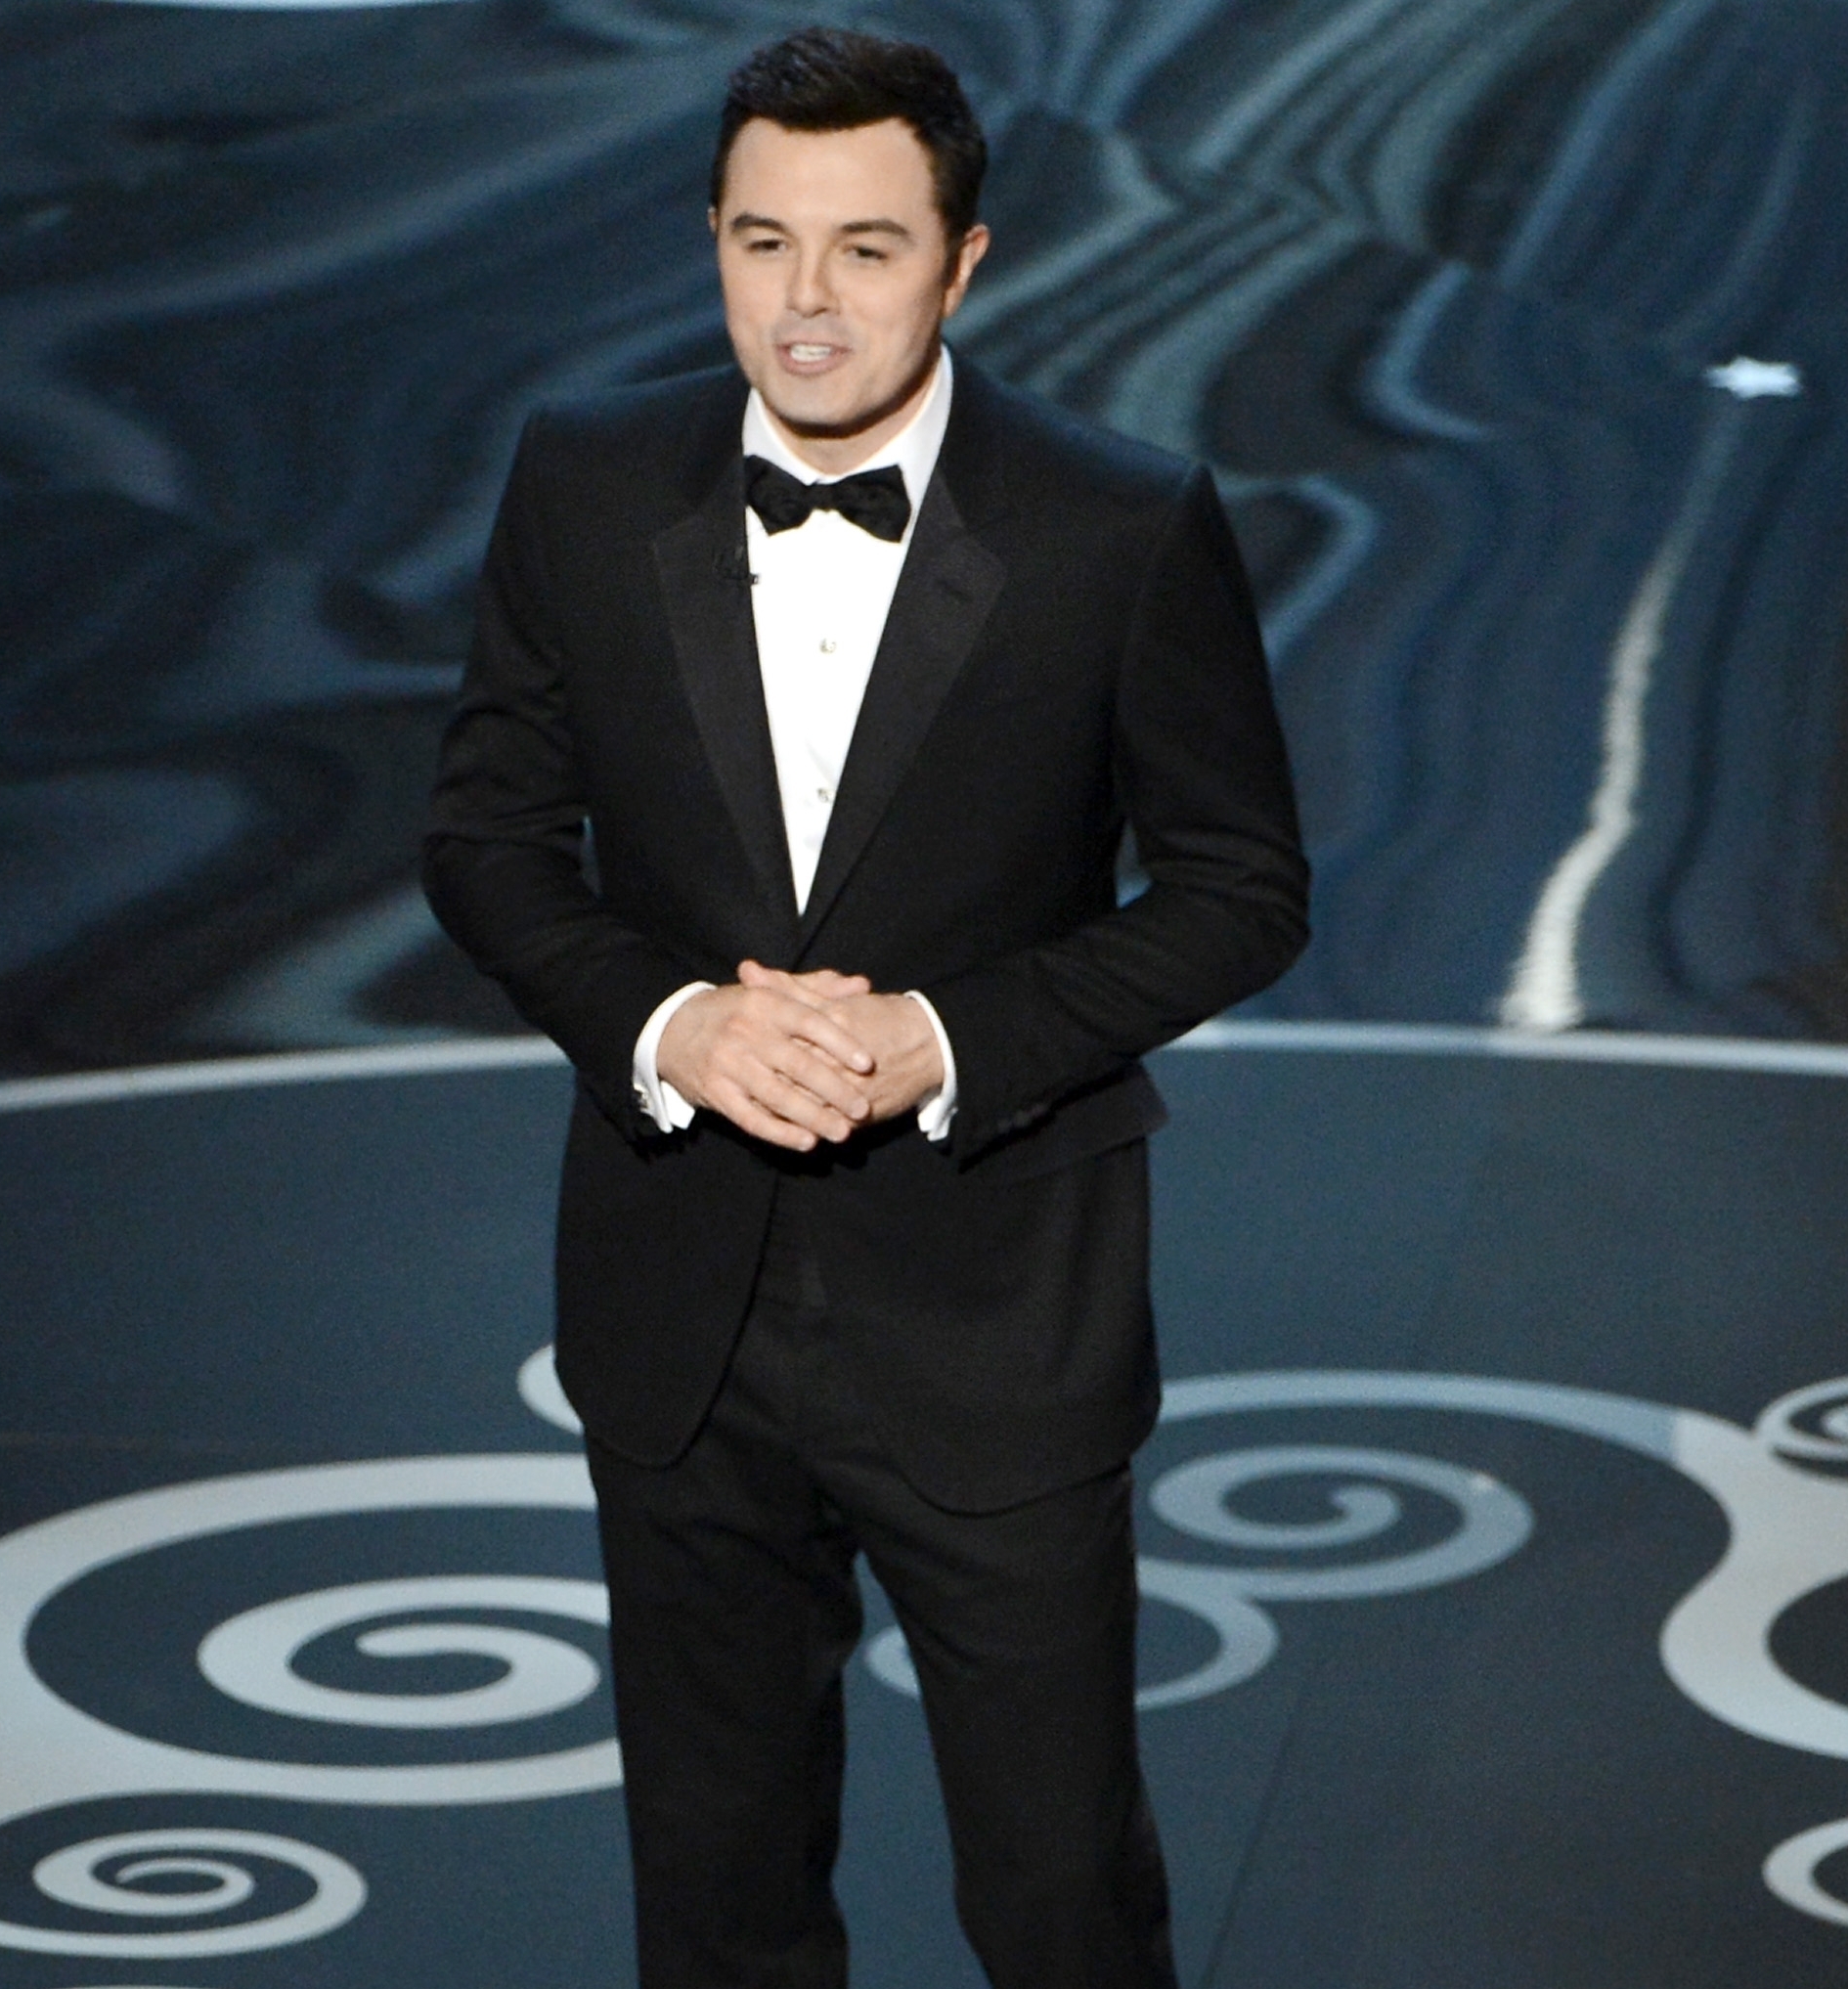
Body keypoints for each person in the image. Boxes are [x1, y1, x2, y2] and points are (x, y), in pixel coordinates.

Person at [423, 25, 1307, 1987]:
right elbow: (485, 838)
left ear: (965, 261)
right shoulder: (581, 479)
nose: (806, 305)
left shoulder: (1117, 523)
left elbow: (1246, 893)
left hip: (999, 1307)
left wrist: (949, 1040)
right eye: (763, 243)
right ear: (714, 242)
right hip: (681, 1311)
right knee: (716, 1901)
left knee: (1061, 1897)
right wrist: (674, 1025)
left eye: (865, 249)